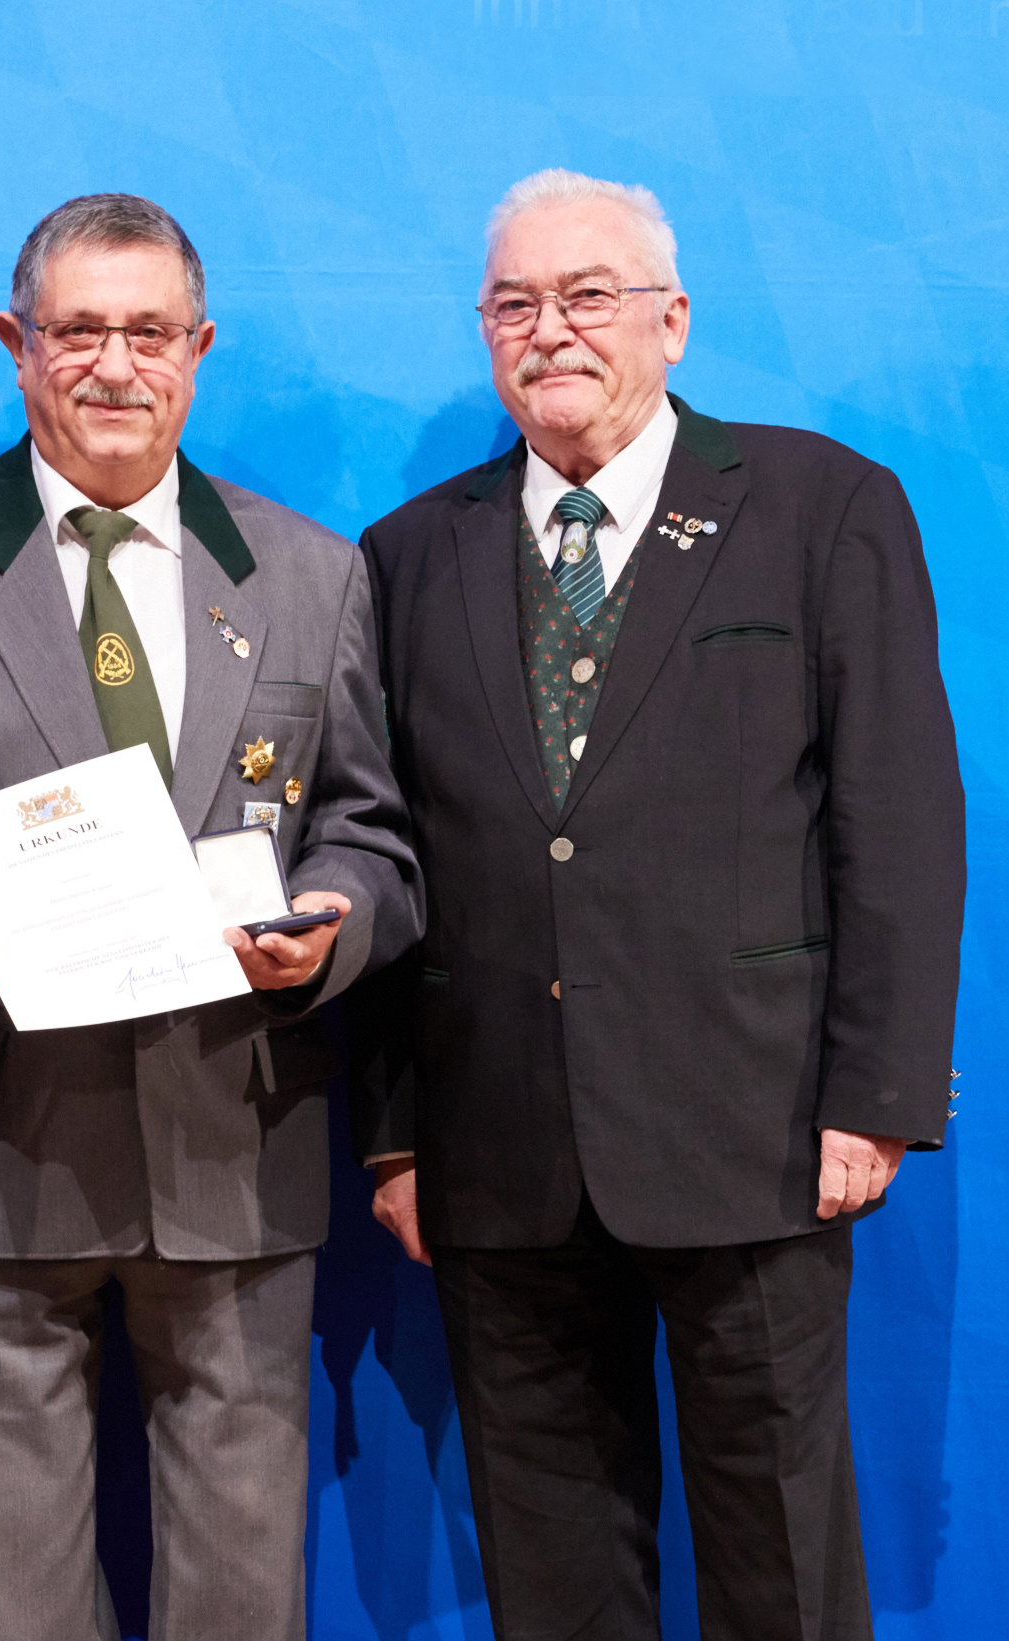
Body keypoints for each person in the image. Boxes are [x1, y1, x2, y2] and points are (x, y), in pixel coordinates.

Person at [0, 193, 421, 1640]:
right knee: (14, 1594)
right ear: (19, 345)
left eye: (150, 333)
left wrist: (337, 917)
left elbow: (371, 829)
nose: (116, 365)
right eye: (79, 331)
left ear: (201, 348)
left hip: (236, 1143)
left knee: (249, 1591)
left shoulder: (316, 575)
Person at [353, 168, 964, 1641]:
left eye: (588, 295)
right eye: (515, 303)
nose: (549, 329)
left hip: (753, 1137)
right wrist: (392, 1129)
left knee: (785, 1566)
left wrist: (872, 1094)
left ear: (672, 321)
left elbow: (898, 816)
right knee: (551, 1572)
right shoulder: (405, 553)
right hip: (498, 1154)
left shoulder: (822, 507)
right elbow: (387, 854)